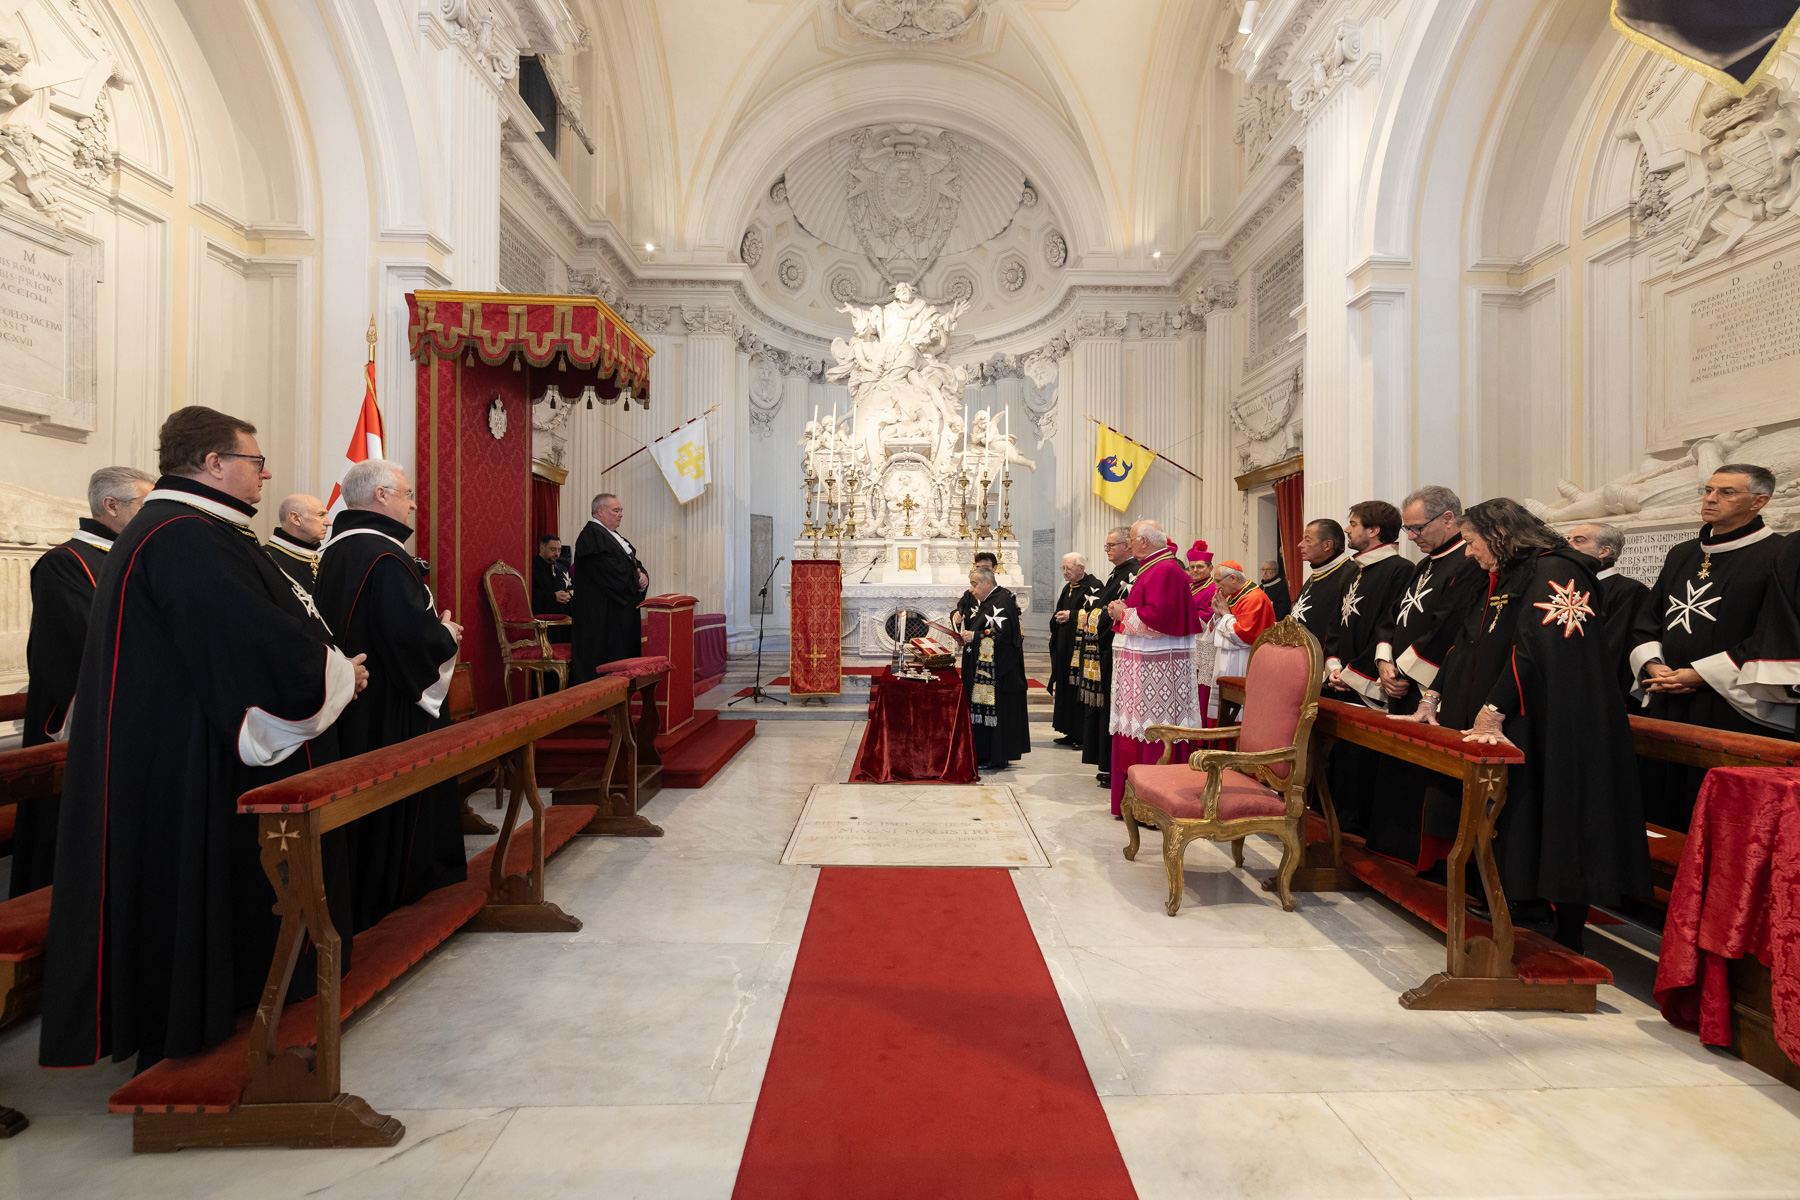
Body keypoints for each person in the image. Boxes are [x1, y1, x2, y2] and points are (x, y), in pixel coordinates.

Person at [41, 406, 367, 1071]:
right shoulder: (186, 535)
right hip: (180, 760)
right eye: (255, 462)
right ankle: (197, 1019)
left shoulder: (190, 529)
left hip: (182, 744)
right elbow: (249, 641)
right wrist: (337, 672)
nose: (265, 474)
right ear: (213, 464)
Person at [1393, 499, 1650, 952]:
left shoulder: (1557, 570)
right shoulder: (1507, 573)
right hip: (1515, 715)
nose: (1468, 553)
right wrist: (1433, 697)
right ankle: (1515, 899)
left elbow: (1537, 646)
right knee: (1516, 815)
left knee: (1552, 812)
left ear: (1500, 533)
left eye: (1472, 542)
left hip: (1554, 719)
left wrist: (1495, 708)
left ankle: (1556, 924)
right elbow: (1467, 640)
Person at [314, 458, 468, 934]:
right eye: (406, 494)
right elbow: (407, 637)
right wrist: (445, 636)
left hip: (358, 697)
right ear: (380, 496)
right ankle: (403, 883)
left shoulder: (341, 550)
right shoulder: (382, 556)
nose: (414, 504)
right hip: (391, 704)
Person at [12, 466, 154, 899]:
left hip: (131, 711)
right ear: (110, 506)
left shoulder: (133, 556)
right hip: (83, 716)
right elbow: (88, 637)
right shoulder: (64, 563)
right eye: (145, 507)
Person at [1628, 465, 1792, 829]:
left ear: (1759, 502)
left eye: (1727, 492)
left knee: (1724, 815)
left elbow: (1778, 631)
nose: (1711, 498)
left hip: (1734, 702)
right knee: (1661, 800)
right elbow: (1650, 618)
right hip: (1669, 692)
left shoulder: (1780, 555)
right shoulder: (1682, 552)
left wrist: (1701, 674)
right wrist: (1654, 665)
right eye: (1708, 490)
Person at [1363, 485, 1491, 868]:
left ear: (1448, 518)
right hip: (1400, 681)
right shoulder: (1424, 564)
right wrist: (1384, 663)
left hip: (1432, 689)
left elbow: (1448, 627)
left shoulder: (1468, 565)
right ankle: (1394, 850)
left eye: (1417, 528)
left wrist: (1406, 670)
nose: (1412, 537)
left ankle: (1428, 860)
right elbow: (1393, 617)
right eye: (1408, 529)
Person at [1321, 500, 1414, 836]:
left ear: (1374, 530)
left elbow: (1388, 630)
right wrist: (1333, 666)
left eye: (1354, 523)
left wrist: (1351, 675)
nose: (1348, 529)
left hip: (1366, 684)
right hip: (1343, 677)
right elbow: (1335, 625)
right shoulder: (1353, 569)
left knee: (1360, 765)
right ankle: (1331, 823)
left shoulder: (1400, 570)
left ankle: (1355, 832)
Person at [1107, 521, 1206, 816]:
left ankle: (1153, 805)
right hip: (1144, 668)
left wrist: (1122, 612)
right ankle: (1134, 802)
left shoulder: (1165, 569)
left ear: (1145, 542)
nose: (1130, 542)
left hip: (1156, 671)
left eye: (1133, 538)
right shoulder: (1155, 566)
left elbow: (1157, 619)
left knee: (1152, 729)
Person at [956, 565, 1030, 771]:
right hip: (988, 670)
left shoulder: (1002, 600)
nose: (971, 589)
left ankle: (996, 756)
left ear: (988, 582)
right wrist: (970, 636)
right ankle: (985, 753)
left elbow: (1004, 635)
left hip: (1001, 673)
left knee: (997, 713)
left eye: (974, 584)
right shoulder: (990, 601)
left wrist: (975, 636)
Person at [572, 493, 649, 685]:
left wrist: (643, 575)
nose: (621, 514)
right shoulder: (590, 536)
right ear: (600, 511)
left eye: (621, 510)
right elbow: (609, 571)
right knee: (607, 655)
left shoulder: (613, 536)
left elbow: (633, 562)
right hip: (602, 613)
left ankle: (625, 691)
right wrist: (634, 576)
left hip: (618, 609)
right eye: (616, 510)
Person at [1569, 522, 1650, 700]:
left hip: (1599, 692)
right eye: (1569, 539)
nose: (1569, 545)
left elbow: (1615, 649)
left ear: (1604, 551)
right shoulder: (1569, 587)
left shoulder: (1630, 591)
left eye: (1579, 540)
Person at [1083, 528, 1138, 786]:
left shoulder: (1132, 572)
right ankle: (1105, 762)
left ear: (1128, 545)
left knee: (1111, 706)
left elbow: (1119, 611)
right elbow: (1105, 607)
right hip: (1105, 647)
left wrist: (1092, 619)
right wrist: (1091, 618)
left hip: (1116, 648)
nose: (1107, 549)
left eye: (1111, 545)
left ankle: (1111, 764)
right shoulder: (1119, 571)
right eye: (1106, 545)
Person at [1048, 552, 1100, 747]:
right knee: (1066, 689)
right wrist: (1059, 617)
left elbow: (1095, 613)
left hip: (1081, 649)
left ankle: (1082, 735)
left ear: (1081, 569)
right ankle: (1069, 730)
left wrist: (1071, 615)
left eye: (1069, 568)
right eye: (1063, 568)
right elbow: (1060, 610)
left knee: (1079, 690)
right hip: (1065, 646)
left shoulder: (1094, 586)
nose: (1065, 572)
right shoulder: (1067, 588)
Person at [1290, 519, 1355, 669]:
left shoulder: (1350, 574)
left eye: (1308, 540)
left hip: (1331, 670)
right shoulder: (1318, 573)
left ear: (1327, 545)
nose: (1300, 545)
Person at [1208, 560, 1276, 689]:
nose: (1216, 587)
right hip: (1230, 658)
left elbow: (1243, 635)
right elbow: (1221, 627)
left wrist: (1225, 614)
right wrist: (1218, 615)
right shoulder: (1233, 596)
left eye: (1218, 581)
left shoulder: (1255, 598)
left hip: (1245, 658)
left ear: (1233, 578)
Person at [265, 493, 329, 590]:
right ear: (295, 518)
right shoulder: (266, 559)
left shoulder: (321, 561)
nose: (329, 522)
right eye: (321, 515)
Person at [1186, 541, 1219, 726]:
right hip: (1188, 643)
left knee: (1201, 692)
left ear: (1210, 568)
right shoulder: (1191, 586)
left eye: (1200, 566)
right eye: (1192, 567)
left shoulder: (1212, 589)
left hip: (1203, 647)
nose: (1195, 570)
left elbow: (1205, 619)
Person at [532, 532, 574, 645]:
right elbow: (529, 595)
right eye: (553, 549)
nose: (557, 553)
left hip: (563, 618)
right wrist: (553, 596)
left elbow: (569, 588)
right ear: (542, 547)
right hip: (544, 619)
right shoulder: (531, 567)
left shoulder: (560, 568)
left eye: (559, 550)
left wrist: (568, 596)